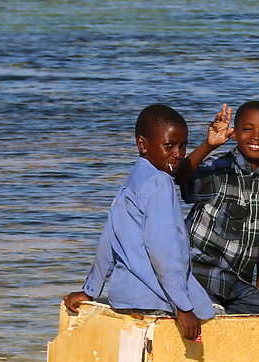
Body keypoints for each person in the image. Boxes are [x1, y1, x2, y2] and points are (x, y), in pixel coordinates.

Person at [63, 105, 214, 341]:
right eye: (169, 145)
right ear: (143, 144)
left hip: (125, 298)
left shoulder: (131, 182)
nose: (178, 153)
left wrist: (90, 290)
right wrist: (184, 307)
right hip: (158, 299)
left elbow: (109, 238)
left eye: (183, 145)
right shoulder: (160, 183)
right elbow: (164, 251)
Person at [177, 100, 259, 314]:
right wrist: (208, 145)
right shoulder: (218, 169)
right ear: (235, 134)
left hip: (238, 284)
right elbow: (180, 178)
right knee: (212, 320)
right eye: (248, 129)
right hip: (198, 277)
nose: (256, 136)